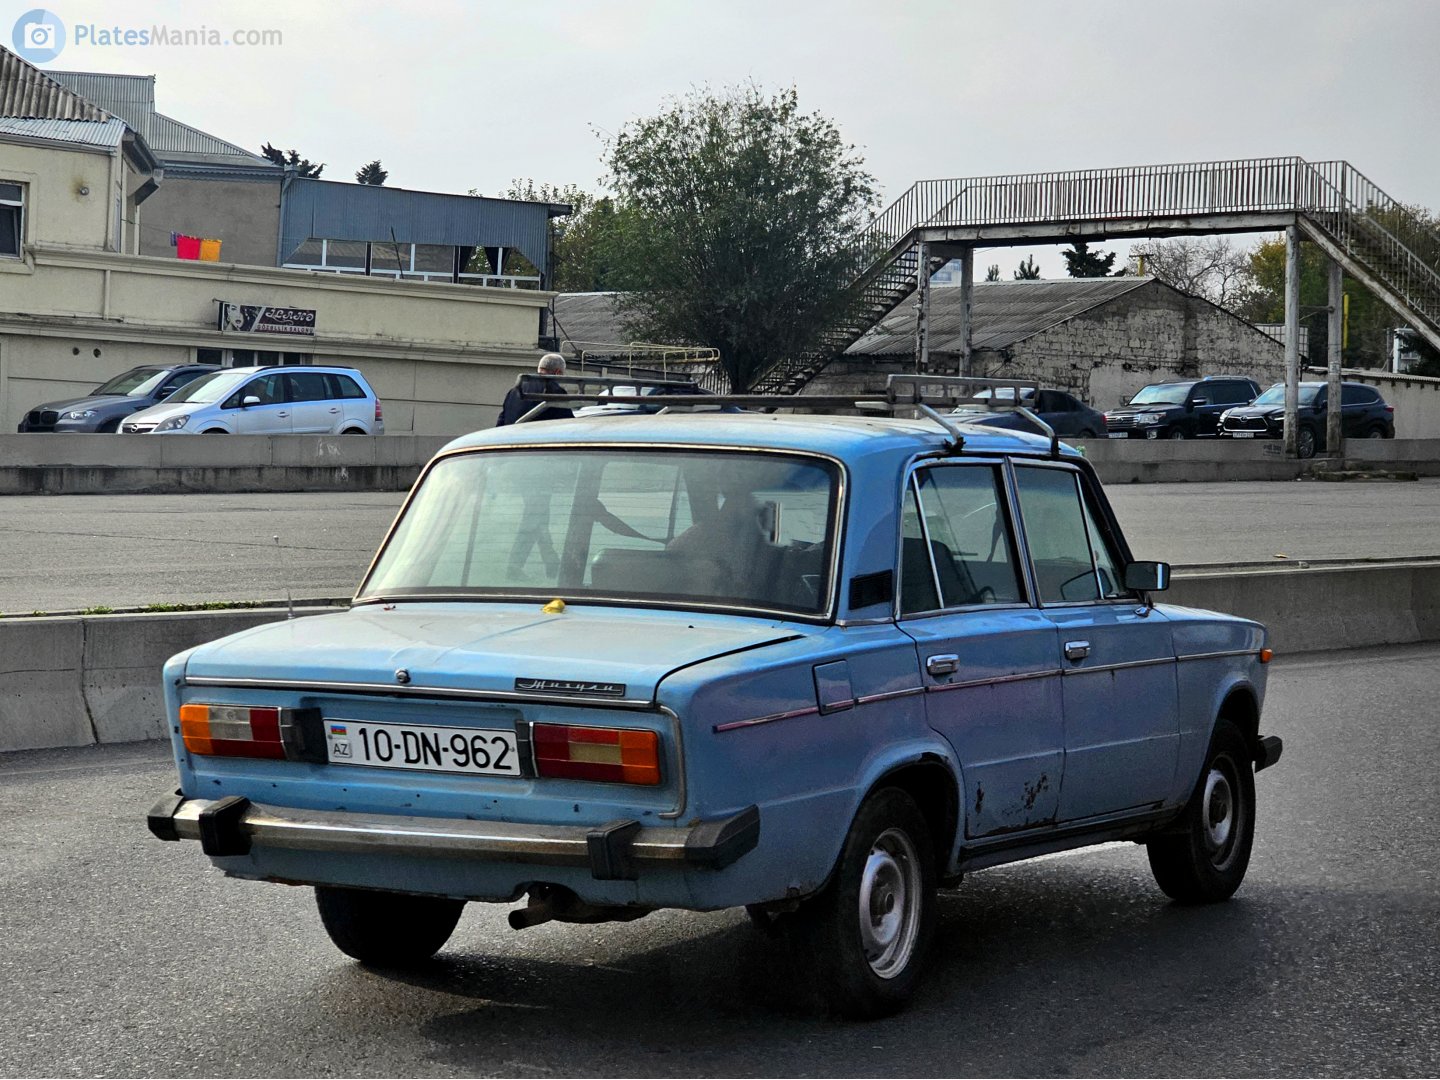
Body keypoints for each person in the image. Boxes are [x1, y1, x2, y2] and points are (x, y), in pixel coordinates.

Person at [496, 353, 574, 426]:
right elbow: (567, 423)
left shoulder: (514, 391)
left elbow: (501, 422)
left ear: (539, 368)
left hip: (510, 434)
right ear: (558, 372)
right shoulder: (556, 392)